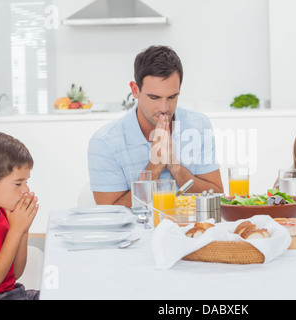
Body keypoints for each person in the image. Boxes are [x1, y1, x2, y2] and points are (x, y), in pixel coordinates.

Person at [88, 45, 223, 207]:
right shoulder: (105, 142)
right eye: (154, 97)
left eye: (172, 97)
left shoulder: (199, 125)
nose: (164, 108)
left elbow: (216, 197)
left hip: (189, 230)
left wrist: (177, 169)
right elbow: (109, 213)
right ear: (135, 90)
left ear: (179, 88)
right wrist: (155, 167)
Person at [0, 132, 39, 300]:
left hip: (14, 292)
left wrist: (24, 229)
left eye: (27, 182)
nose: (26, 190)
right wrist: (16, 229)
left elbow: (16, 273)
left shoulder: (4, 210)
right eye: (18, 183)